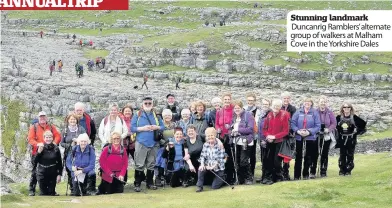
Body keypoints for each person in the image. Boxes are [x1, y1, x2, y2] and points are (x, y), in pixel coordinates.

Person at [131, 97, 164, 192]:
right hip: (141, 142)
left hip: (154, 143)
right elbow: (132, 128)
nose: (148, 105)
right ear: (142, 104)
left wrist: (156, 127)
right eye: (146, 103)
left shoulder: (156, 116)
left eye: (150, 103)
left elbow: (162, 127)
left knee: (151, 164)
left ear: (152, 104)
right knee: (139, 164)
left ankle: (150, 183)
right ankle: (137, 183)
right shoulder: (137, 115)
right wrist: (142, 128)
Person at [27, 111, 61, 196]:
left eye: (44, 117)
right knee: (35, 171)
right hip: (37, 152)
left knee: (50, 171)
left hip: (49, 151)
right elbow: (30, 139)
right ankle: (32, 189)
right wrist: (38, 144)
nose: (42, 118)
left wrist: (54, 143)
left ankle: (51, 190)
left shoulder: (51, 127)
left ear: (46, 118)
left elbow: (57, 136)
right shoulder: (34, 127)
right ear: (38, 118)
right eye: (40, 117)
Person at [261, 99, 290, 185]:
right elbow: (264, 129)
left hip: (279, 141)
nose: (275, 107)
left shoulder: (284, 115)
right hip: (269, 141)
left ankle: (278, 177)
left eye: (277, 106)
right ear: (272, 106)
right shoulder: (269, 115)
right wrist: (267, 136)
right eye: (274, 106)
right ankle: (270, 178)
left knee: (277, 161)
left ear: (280, 107)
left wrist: (274, 137)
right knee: (268, 160)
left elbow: (286, 131)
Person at [291, 98, 321, 180]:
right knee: (298, 156)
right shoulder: (298, 112)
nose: (307, 103)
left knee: (308, 156)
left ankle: (305, 174)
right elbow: (292, 123)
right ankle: (297, 175)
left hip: (310, 137)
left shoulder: (315, 113)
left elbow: (318, 126)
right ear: (303, 103)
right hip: (299, 137)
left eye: (309, 102)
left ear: (311, 103)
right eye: (305, 102)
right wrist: (297, 131)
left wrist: (309, 132)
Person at [336, 103, 366, 176]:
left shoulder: (354, 117)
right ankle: (342, 170)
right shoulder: (338, 117)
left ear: (350, 108)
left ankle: (348, 170)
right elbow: (334, 125)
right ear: (342, 108)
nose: (346, 108)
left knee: (350, 155)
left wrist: (356, 132)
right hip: (342, 139)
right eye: (344, 107)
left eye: (348, 107)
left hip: (351, 139)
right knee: (342, 155)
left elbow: (363, 124)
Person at [60, 113, 86, 194]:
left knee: (80, 169)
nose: (72, 121)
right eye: (71, 119)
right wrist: (70, 145)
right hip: (68, 153)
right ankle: (72, 188)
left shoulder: (81, 129)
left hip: (80, 153)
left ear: (77, 120)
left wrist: (78, 142)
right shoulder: (65, 130)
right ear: (68, 120)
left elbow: (86, 140)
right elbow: (61, 143)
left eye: (74, 119)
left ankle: (81, 187)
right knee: (70, 170)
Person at [230, 100, 255, 185]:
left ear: (241, 108)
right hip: (236, 141)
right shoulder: (233, 116)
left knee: (243, 161)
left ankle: (249, 178)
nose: (236, 109)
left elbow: (250, 129)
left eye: (238, 108)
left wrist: (238, 130)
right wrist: (232, 132)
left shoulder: (248, 115)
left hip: (246, 141)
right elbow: (231, 127)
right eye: (235, 108)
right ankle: (240, 179)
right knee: (237, 160)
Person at [196, 127, 226, 192]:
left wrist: (212, 166)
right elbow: (202, 156)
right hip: (208, 166)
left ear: (215, 136)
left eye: (212, 135)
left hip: (218, 168)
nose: (210, 137)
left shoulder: (220, 145)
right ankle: (199, 187)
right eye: (208, 136)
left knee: (214, 187)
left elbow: (220, 159)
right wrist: (202, 164)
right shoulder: (205, 145)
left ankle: (223, 177)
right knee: (201, 169)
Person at [215, 92, 235, 184]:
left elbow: (235, 121)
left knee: (231, 157)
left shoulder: (234, 110)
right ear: (223, 101)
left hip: (231, 137)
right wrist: (218, 129)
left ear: (231, 100)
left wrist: (231, 127)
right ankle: (224, 176)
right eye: (225, 99)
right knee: (223, 156)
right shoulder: (219, 111)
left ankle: (232, 177)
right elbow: (216, 123)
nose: (227, 101)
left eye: (228, 99)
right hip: (222, 137)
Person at [35, 130, 62, 196]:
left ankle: (52, 192)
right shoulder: (40, 147)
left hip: (52, 173)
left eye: (50, 137)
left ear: (52, 138)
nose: (48, 139)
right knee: (43, 194)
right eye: (46, 137)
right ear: (44, 138)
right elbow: (34, 161)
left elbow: (59, 162)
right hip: (42, 173)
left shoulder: (56, 148)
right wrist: (38, 152)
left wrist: (59, 175)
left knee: (51, 193)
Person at [315, 96, 337, 178]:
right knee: (315, 153)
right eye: (321, 102)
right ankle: (313, 170)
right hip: (316, 135)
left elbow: (334, 123)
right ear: (318, 103)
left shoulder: (330, 112)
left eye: (324, 102)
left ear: (326, 103)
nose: (323, 103)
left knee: (324, 153)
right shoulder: (315, 112)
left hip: (326, 135)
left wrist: (329, 129)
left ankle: (323, 171)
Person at [155, 109, 175, 187]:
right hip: (162, 146)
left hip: (172, 146)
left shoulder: (174, 125)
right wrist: (165, 143)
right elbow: (157, 136)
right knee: (161, 160)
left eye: (169, 115)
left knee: (170, 160)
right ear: (163, 116)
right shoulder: (160, 125)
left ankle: (168, 177)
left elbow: (177, 135)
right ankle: (158, 177)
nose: (167, 117)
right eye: (166, 115)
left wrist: (172, 143)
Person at [243, 92, 261, 178]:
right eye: (249, 100)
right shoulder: (243, 109)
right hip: (243, 135)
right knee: (244, 154)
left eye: (252, 100)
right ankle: (245, 172)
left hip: (253, 135)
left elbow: (257, 123)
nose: (250, 102)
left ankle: (252, 173)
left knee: (252, 154)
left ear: (254, 101)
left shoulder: (257, 110)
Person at [281, 91, 297, 181]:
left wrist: (290, 131)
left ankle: (286, 173)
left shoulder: (293, 109)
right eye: (284, 98)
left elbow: (293, 121)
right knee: (279, 155)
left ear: (290, 99)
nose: (286, 100)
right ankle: (279, 173)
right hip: (280, 135)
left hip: (289, 135)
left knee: (287, 155)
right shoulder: (279, 107)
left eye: (287, 98)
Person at [256, 98, 272, 183]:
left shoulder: (270, 114)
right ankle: (263, 176)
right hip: (261, 139)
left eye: (266, 104)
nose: (265, 106)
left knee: (267, 159)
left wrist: (265, 139)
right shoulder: (262, 114)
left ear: (269, 105)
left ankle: (268, 177)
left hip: (268, 140)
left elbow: (270, 128)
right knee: (263, 158)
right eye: (263, 104)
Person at [118, 104, 135, 183]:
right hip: (123, 143)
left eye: (129, 111)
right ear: (123, 112)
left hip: (133, 143)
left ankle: (140, 178)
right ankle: (123, 180)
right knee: (123, 161)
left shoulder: (134, 119)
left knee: (137, 160)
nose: (128, 112)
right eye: (126, 111)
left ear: (132, 112)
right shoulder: (120, 120)